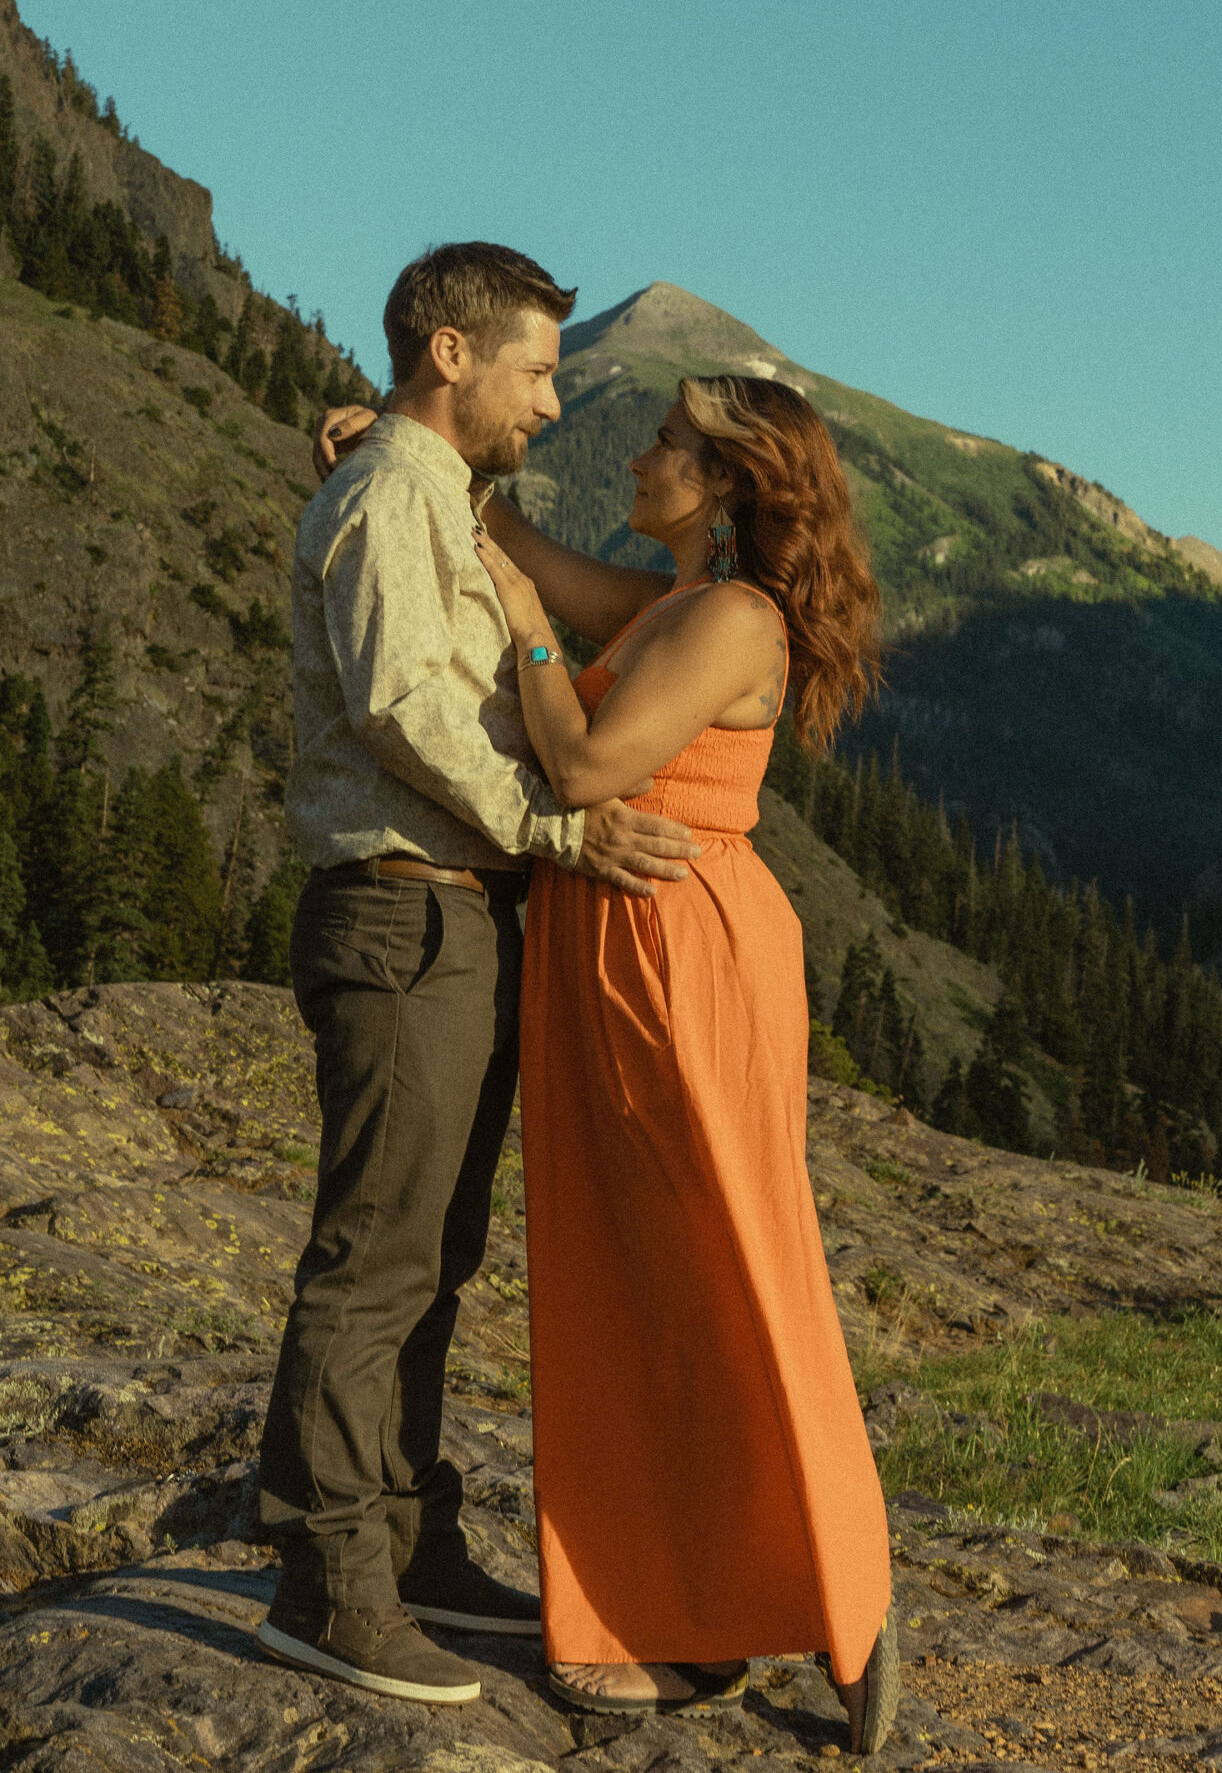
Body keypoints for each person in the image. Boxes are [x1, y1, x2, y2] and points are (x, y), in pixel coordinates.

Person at [256, 242, 700, 1708]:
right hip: (404, 914)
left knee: (432, 1257)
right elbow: (403, 711)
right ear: (453, 358)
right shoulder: (391, 496)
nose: (552, 402)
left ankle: (408, 1540)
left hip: (453, 919)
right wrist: (558, 825)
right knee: (377, 1259)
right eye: (535, 368)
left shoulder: (431, 493)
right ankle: (326, 1585)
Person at [470, 370, 899, 1755]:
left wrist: (532, 634)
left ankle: (745, 1614)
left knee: (706, 1266)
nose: (642, 457)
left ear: (722, 483)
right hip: (633, 948)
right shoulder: (672, 603)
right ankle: (785, 1585)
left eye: (663, 445)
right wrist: (405, 446)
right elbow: (513, 548)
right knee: (675, 1268)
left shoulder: (724, 618)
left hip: (670, 955)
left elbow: (590, 762)